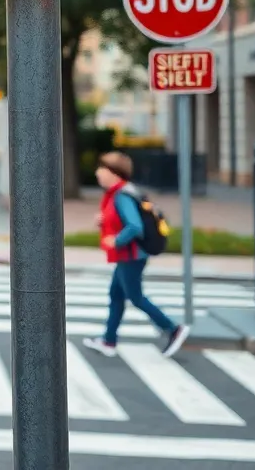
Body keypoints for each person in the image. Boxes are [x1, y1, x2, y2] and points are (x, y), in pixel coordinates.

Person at [82, 152, 190, 359]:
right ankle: (108, 340)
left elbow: (135, 226)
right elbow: (121, 220)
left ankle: (173, 329)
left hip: (131, 255)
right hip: (127, 256)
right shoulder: (118, 193)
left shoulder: (122, 195)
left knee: (135, 297)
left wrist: (116, 240)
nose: (98, 173)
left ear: (114, 173)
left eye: (102, 168)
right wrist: (103, 222)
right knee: (116, 295)